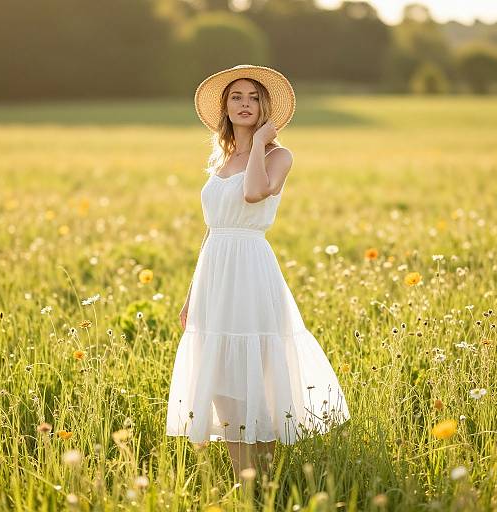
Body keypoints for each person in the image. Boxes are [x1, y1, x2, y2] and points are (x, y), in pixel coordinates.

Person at [165, 64, 350, 482]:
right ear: (226, 108)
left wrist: (262, 141)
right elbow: (211, 229)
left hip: (251, 269)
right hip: (215, 271)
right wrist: (192, 295)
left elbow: (253, 194)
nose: (244, 104)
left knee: (257, 374)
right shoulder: (224, 159)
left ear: (265, 107)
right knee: (222, 383)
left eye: (252, 98)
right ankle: (241, 480)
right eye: (236, 98)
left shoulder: (278, 156)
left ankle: (265, 482)